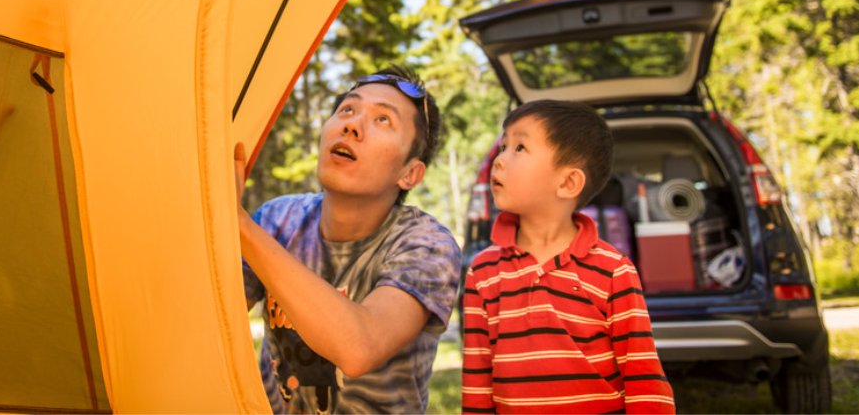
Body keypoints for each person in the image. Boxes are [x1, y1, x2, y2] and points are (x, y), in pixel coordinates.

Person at [236, 65, 461, 413]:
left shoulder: (426, 244)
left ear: (410, 173)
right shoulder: (277, 221)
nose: (351, 125)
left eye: (383, 120)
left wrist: (238, 224)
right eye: (347, 109)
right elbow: (198, 315)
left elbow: (360, 348)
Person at [461, 99, 675, 413]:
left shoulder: (614, 271)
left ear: (568, 182)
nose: (499, 160)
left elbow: (643, 378)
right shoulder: (483, 272)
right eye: (503, 146)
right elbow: (477, 381)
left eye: (519, 148)